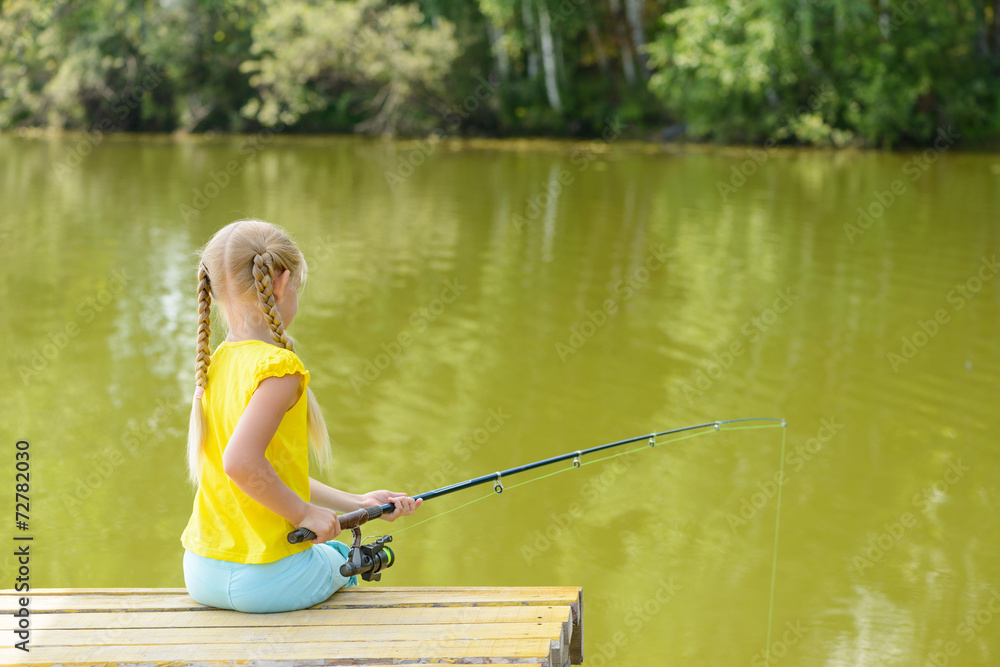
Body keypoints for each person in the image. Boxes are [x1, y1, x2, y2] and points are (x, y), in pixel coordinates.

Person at [180, 218, 421, 613]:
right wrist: (303, 513)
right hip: (268, 581)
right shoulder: (279, 367)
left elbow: (267, 473)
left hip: (201, 572)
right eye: (297, 287)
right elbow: (240, 463)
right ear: (280, 282)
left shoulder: (215, 361)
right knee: (344, 554)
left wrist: (356, 503)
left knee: (333, 545)